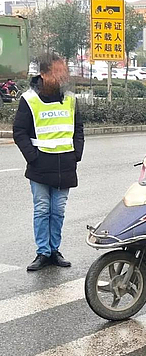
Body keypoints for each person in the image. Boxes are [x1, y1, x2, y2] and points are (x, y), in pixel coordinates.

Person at [12, 54, 84, 271]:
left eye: (64, 70)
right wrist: (33, 157)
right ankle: (43, 252)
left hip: (65, 165)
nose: (62, 75)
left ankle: (54, 250)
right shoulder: (29, 99)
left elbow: (78, 129)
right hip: (40, 165)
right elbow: (19, 131)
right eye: (57, 71)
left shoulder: (70, 99)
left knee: (58, 211)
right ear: (43, 74)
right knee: (42, 209)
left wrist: (76, 154)